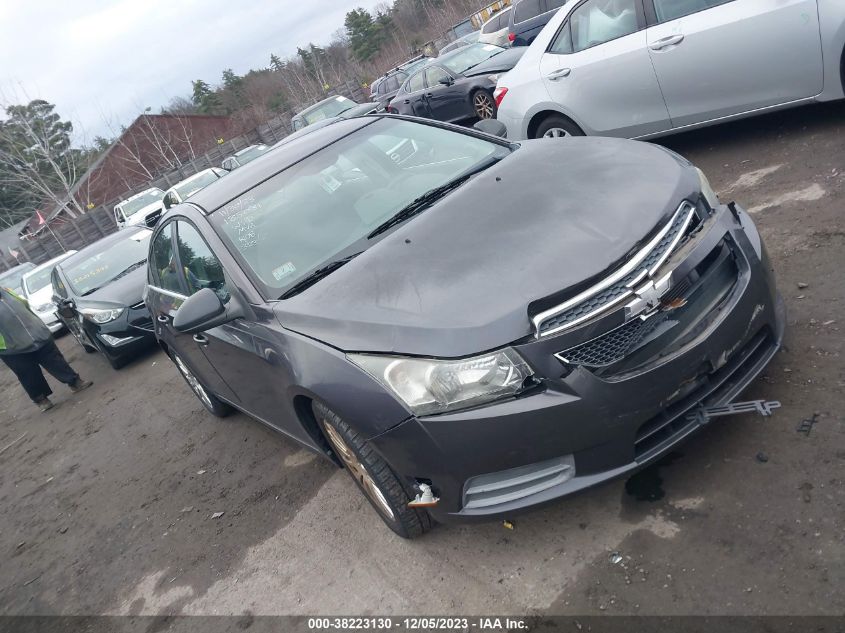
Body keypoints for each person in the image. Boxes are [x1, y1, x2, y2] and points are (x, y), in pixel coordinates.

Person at [0, 285, 92, 412]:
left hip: (37, 334)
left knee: (55, 360)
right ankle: (41, 399)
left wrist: (38, 325)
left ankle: (75, 382)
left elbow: (25, 307)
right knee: (28, 374)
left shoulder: (6, 291)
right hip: (12, 348)